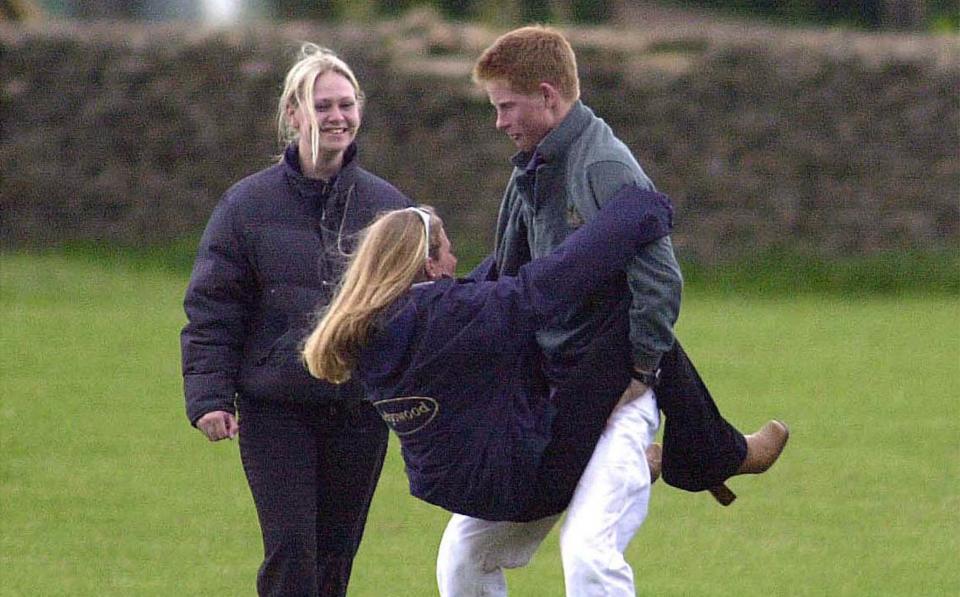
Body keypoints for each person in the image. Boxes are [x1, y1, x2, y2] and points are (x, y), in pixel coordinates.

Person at [429, 25, 790, 596]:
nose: (499, 121)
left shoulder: (602, 165)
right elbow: (507, 273)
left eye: (506, 106)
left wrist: (641, 372)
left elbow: (661, 279)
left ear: (548, 95)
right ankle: (687, 458)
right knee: (462, 557)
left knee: (589, 555)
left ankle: (666, 456)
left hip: (621, 397)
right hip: (552, 403)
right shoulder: (531, 167)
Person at [301, 184, 673, 540]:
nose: (455, 259)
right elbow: (543, 286)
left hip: (458, 492)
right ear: (430, 266)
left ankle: (706, 451)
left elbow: (478, 288)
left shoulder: (369, 331)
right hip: (524, 484)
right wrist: (638, 210)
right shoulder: (446, 317)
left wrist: (527, 226)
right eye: (447, 251)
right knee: (618, 317)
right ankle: (691, 454)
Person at [180, 43, 411, 596]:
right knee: (291, 555)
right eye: (322, 105)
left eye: (346, 104)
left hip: (358, 413)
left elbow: (413, 309)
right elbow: (213, 307)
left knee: (334, 561)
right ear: (293, 114)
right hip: (275, 410)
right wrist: (210, 396)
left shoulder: (389, 208)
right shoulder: (246, 206)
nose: (336, 117)